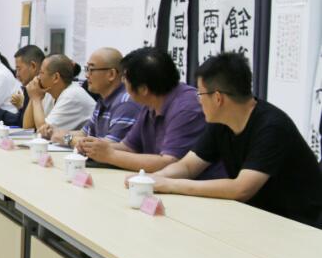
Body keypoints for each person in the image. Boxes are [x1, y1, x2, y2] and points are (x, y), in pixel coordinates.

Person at [136, 53, 322, 228]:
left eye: (200, 94)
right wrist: (153, 179)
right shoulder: (221, 122)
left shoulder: (272, 127)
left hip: (301, 224)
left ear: (218, 98)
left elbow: (241, 189)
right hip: (260, 218)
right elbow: (188, 166)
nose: (198, 101)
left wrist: (170, 185)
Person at [78, 47, 210, 175]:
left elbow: (170, 162)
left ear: (143, 89)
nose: (123, 83)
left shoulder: (186, 108)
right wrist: (92, 147)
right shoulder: (150, 103)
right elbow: (129, 147)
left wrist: (110, 155)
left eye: (125, 79)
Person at [56, 48, 140, 148]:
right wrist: (55, 132)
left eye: (91, 70)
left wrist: (68, 139)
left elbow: (104, 147)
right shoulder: (103, 99)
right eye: (87, 69)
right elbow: (84, 133)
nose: (87, 75)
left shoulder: (125, 103)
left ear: (111, 74)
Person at [28, 54, 96, 138]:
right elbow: (27, 128)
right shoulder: (50, 92)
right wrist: (33, 96)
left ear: (56, 77)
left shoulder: (72, 95)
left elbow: (43, 133)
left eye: (41, 73)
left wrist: (36, 99)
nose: (38, 77)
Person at [0, 45, 43, 127]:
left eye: (19, 69)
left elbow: (22, 123)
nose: (17, 74)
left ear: (33, 66)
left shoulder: (42, 90)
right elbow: (21, 120)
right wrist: (21, 108)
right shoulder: (31, 87)